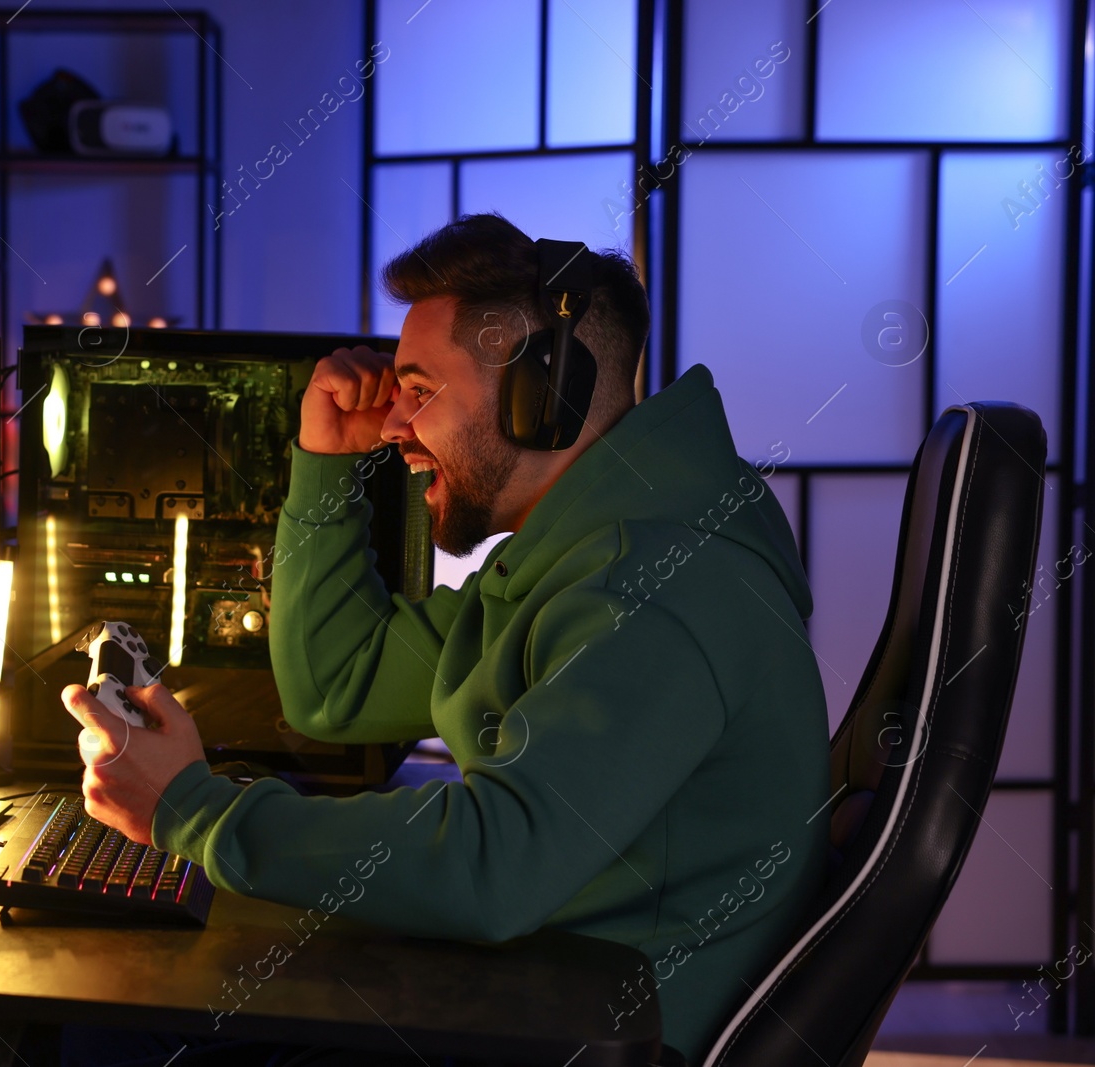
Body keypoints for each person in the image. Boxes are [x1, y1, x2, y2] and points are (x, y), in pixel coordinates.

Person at [59, 213, 830, 1060]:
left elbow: (495, 865)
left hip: (587, 1031)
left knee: (107, 1027)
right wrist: (325, 460)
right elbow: (337, 686)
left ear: (546, 396)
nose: (395, 428)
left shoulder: (661, 583)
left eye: (420, 391)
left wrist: (193, 808)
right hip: (537, 990)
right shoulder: (574, 557)